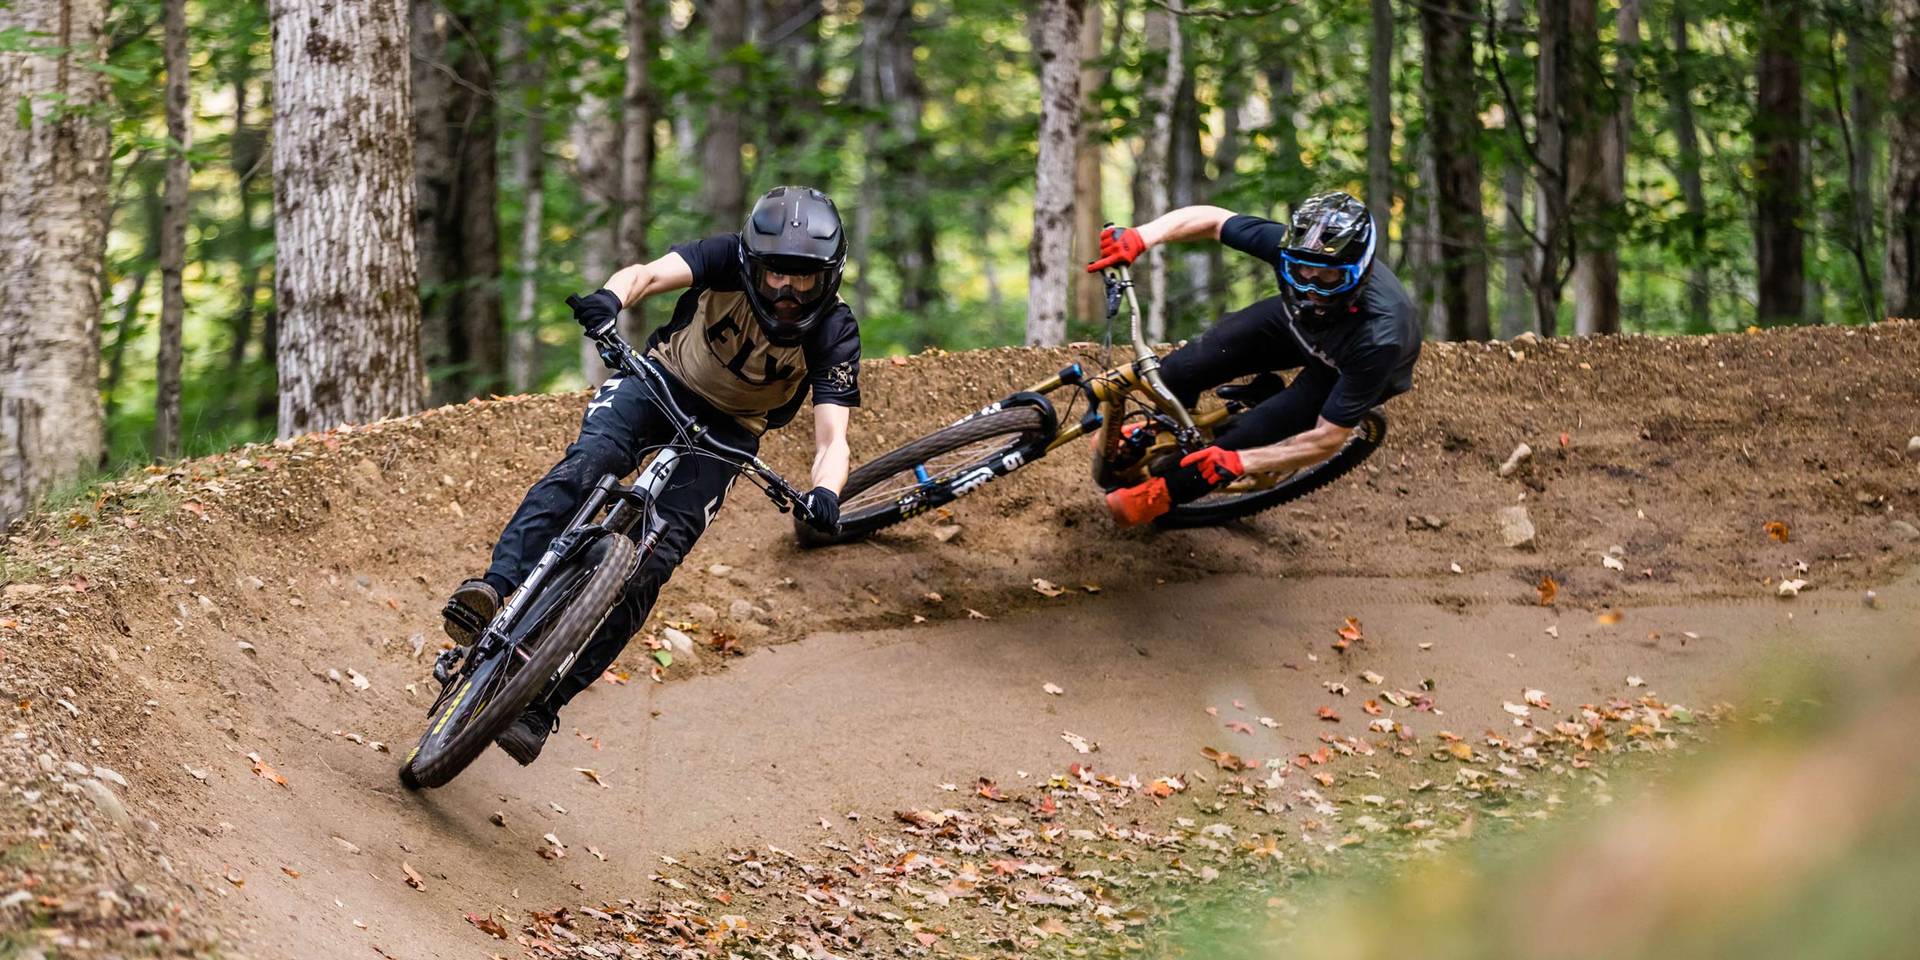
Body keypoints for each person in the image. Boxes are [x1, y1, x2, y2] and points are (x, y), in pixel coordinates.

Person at [442, 185, 861, 764]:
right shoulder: (721, 257)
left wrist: (825, 493)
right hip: (658, 382)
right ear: (752, 263)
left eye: (803, 277)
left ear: (828, 275)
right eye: (775, 274)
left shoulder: (835, 330)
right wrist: (609, 301)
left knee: (650, 567)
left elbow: (832, 436)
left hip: (732, 432)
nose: (787, 290)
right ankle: (493, 588)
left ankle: (543, 706)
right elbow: (646, 274)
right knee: (590, 465)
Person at [1085, 192, 1421, 526]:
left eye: (1329, 276)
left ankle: (1163, 496)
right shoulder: (1294, 250)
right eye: (1301, 270)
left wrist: (1242, 462)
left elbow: (1327, 438)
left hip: (1345, 364)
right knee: (1177, 371)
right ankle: (1161, 428)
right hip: (1295, 324)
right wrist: (1141, 236)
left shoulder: (1382, 337)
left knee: (1230, 450)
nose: (1311, 285)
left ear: (1359, 271)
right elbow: (1215, 220)